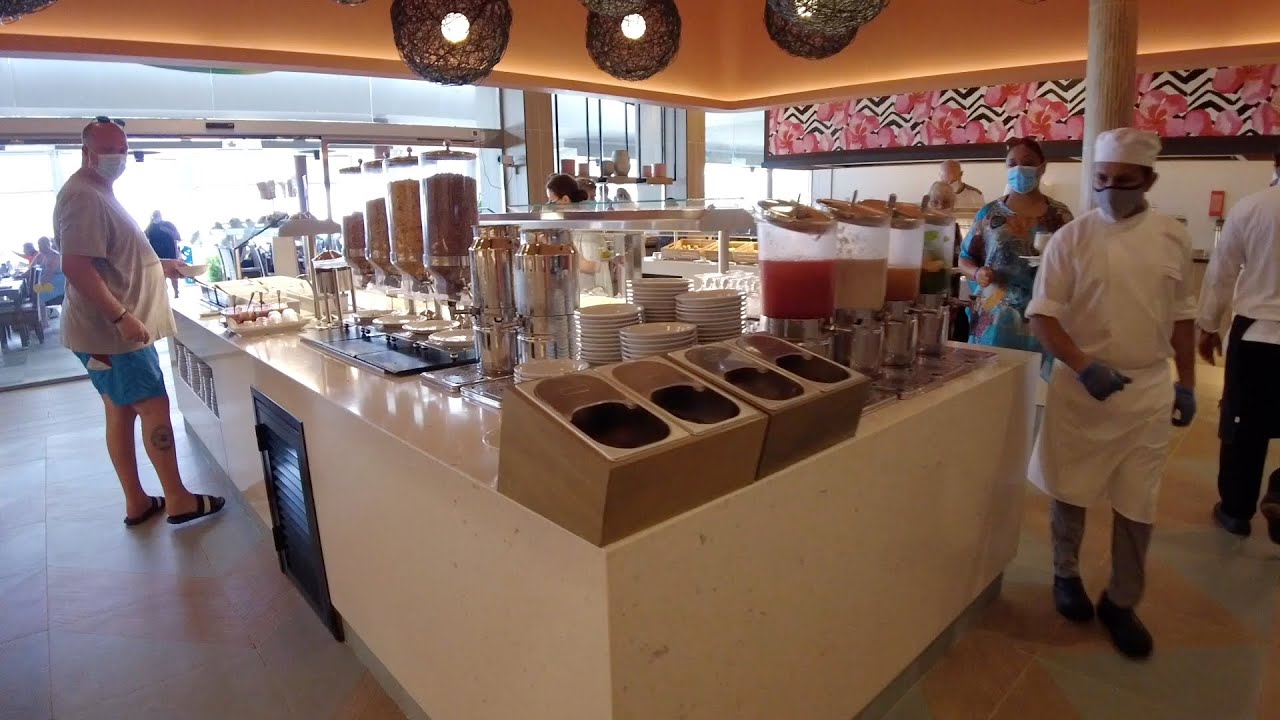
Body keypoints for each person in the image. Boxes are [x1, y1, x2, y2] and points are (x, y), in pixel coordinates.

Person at [1026, 128, 1197, 660]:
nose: (1110, 190)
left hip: (1146, 390)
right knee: (1070, 489)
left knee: (1138, 502)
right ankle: (1065, 574)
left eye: (1124, 180)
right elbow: (1042, 318)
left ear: (1149, 180)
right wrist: (1083, 366)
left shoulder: (1172, 236)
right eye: (1101, 179)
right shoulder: (1071, 239)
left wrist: (1187, 382)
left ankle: (1122, 601)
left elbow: (1183, 317)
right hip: (1083, 388)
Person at [55, 117, 224, 527]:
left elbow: (111, 259)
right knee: (153, 407)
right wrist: (122, 316)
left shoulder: (99, 192)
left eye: (123, 149)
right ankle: (178, 499)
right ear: (86, 151)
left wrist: (160, 265)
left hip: (108, 333)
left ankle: (137, 501)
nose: (117, 157)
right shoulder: (83, 195)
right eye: (108, 149)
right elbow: (75, 265)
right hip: (113, 335)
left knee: (120, 410)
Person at [1197, 176, 1280, 542]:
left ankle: (1235, 511)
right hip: (1257, 330)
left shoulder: (1253, 206)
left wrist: (1208, 325)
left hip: (1257, 334)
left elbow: (1222, 273)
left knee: (1244, 426)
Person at [959, 137, 1073, 353]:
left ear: (1042, 167)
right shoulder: (989, 214)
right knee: (992, 372)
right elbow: (965, 258)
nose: (1019, 168)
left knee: (1036, 373)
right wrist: (977, 273)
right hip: (994, 318)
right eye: (1012, 163)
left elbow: (1074, 264)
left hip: (1043, 316)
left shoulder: (1060, 215)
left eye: (1028, 162)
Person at [145, 210, 182, 298]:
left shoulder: (168, 224)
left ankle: (176, 292)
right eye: (154, 216)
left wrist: (166, 230)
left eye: (157, 215)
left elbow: (177, 236)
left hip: (170, 254)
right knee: (160, 276)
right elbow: (144, 239)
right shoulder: (150, 227)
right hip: (157, 256)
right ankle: (164, 294)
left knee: (174, 274)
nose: (156, 218)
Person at [33, 236, 66, 308]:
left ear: (48, 244)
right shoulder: (41, 255)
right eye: (39, 245)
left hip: (56, 285)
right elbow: (31, 268)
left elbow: (48, 275)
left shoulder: (55, 256)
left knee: (35, 291)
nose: (39, 247)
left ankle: (40, 310)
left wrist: (37, 284)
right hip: (46, 282)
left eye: (41, 245)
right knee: (33, 290)